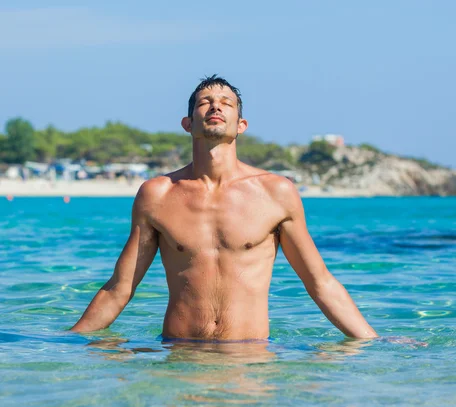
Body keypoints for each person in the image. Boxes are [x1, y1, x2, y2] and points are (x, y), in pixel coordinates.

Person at [70, 75, 378, 341]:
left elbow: (319, 282)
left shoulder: (276, 192)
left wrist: (375, 341)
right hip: (179, 354)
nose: (216, 106)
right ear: (187, 123)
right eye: (205, 102)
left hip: (250, 357)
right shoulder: (157, 194)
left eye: (226, 103)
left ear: (241, 125)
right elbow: (118, 289)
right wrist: (66, 343)